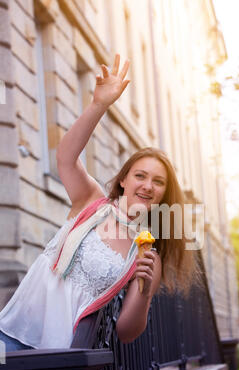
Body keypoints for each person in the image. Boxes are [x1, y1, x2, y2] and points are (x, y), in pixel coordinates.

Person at [0, 54, 201, 352]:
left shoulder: (145, 254)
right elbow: (65, 157)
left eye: (157, 182)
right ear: (124, 179)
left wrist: (144, 291)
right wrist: (99, 105)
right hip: (12, 333)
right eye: (140, 176)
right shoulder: (91, 202)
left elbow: (126, 331)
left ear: (164, 194)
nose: (147, 185)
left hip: (61, 358)